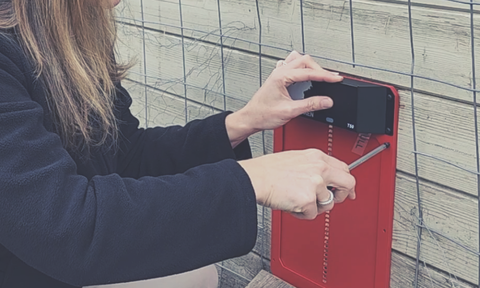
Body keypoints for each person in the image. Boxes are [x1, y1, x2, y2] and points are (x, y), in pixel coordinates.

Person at [0, 0, 356, 287]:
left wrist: (243, 122)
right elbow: (64, 227)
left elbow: (125, 156)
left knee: (199, 276)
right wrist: (250, 179)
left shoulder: (73, 32)